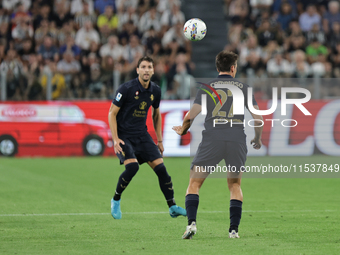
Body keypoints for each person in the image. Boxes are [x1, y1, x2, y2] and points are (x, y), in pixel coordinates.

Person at [172, 51, 263, 239]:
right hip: (236, 139)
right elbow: (258, 118)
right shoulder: (244, 88)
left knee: (194, 183)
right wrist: (257, 138)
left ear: (217, 68)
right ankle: (233, 230)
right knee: (235, 184)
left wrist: (183, 129)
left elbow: (191, 116)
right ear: (232, 68)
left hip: (212, 139)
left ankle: (191, 224)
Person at [108, 56, 186, 219]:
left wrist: (159, 140)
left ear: (153, 70)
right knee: (133, 167)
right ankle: (116, 199)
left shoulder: (155, 90)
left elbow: (156, 114)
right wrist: (115, 139)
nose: (146, 70)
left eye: (149, 67)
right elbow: (112, 113)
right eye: (143, 67)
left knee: (162, 171)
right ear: (137, 70)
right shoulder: (126, 89)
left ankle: (172, 207)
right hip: (124, 136)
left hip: (142, 136)